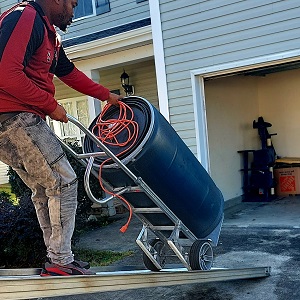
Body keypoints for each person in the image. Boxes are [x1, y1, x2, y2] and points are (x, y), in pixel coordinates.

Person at [0, 0, 122, 276]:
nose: (74, 10)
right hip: (15, 116)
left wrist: (106, 95)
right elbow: (5, 74)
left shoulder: (49, 35)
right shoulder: (26, 17)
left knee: (45, 187)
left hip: (10, 121)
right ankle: (60, 260)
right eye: (73, 3)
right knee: (64, 181)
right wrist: (49, 105)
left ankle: (57, 258)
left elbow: (69, 73)